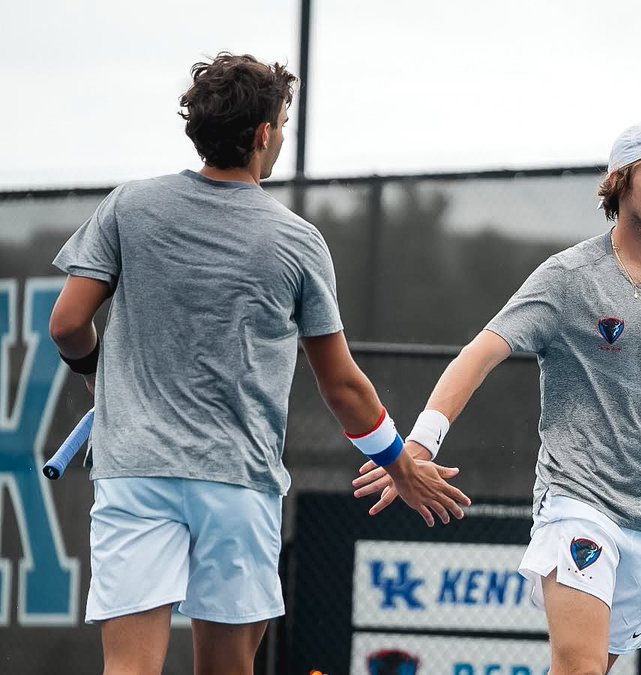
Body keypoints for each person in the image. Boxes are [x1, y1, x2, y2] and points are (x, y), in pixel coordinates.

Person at [48, 52, 469, 675]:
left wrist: (93, 377)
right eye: (283, 124)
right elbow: (344, 388)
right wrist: (399, 465)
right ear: (264, 134)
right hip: (237, 483)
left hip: (134, 471)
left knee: (129, 666)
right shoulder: (296, 241)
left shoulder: (127, 206)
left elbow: (67, 324)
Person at [352, 122, 641, 674]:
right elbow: (478, 356)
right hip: (578, 499)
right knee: (582, 667)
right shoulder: (567, 276)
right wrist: (419, 443)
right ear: (619, 182)